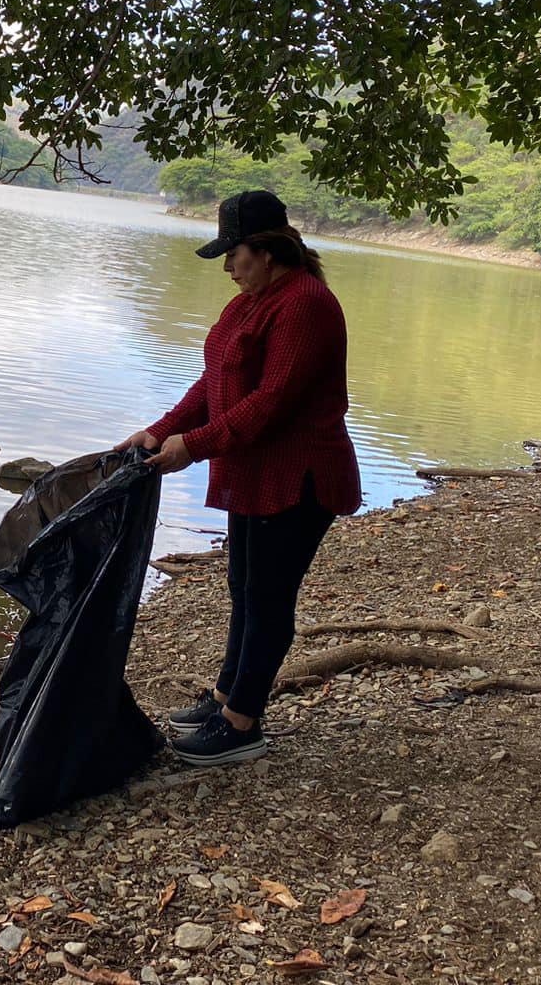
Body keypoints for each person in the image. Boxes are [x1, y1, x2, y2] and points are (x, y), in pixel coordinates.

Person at [118, 190, 360, 767]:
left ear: (269, 251)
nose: (228, 266)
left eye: (235, 253)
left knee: (269, 596)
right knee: (244, 587)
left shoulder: (304, 303)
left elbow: (269, 402)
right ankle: (228, 695)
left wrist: (191, 447)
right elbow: (213, 386)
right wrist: (157, 432)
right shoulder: (251, 302)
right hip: (256, 471)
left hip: (299, 477)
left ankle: (242, 724)